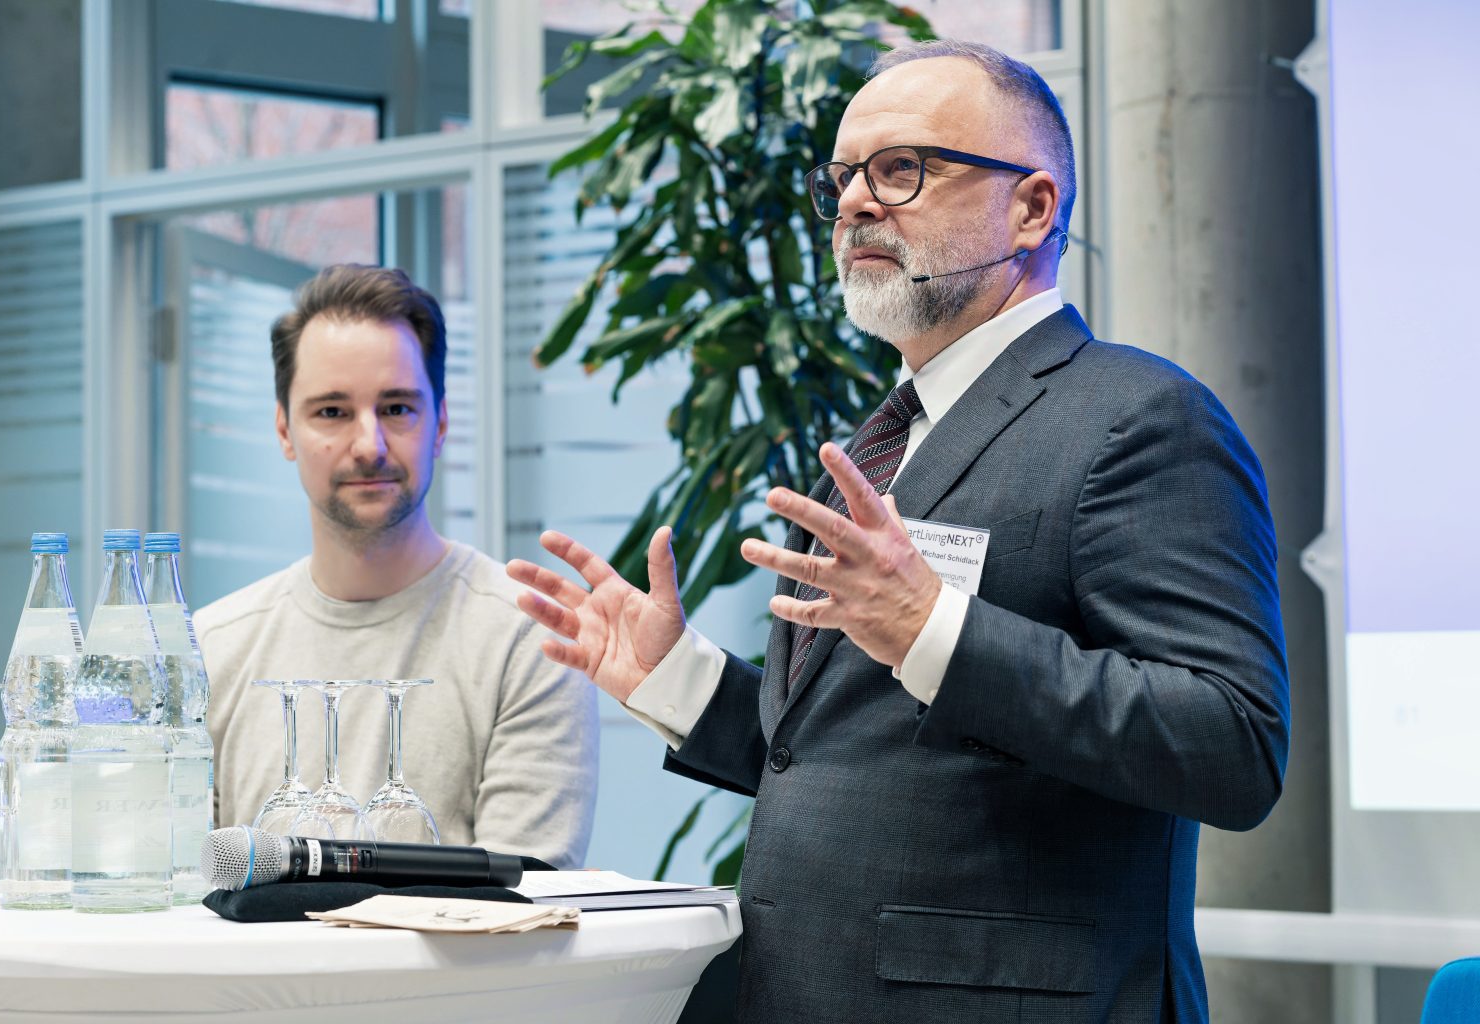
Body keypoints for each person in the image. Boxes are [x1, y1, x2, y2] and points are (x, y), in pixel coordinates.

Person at [505, 40, 1289, 1021]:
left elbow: (1232, 744)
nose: (855, 203)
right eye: (842, 176)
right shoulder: (889, 437)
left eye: (902, 169)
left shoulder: (1140, 418)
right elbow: (857, 763)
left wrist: (935, 627)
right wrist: (677, 676)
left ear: (1032, 208)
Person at [195, 264, 598, 868]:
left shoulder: (528, 636)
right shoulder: (208, 649)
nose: (369, 445)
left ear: (440, 424)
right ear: (284, 430)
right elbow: (179, 899)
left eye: (397, 408)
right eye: (332, 411)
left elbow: (525, 906)